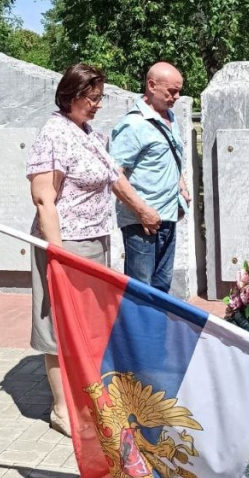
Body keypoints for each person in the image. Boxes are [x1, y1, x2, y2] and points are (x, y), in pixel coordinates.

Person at [26, 63, 161, 437]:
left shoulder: (89, 133)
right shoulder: (53, 135)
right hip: (65, 243)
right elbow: (43, 199)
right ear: (71, 96)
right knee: (57, 325)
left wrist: (141, 208)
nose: (98, 105)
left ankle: (86, 396)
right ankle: (59, 408)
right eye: (92, 98)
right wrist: (57, 255)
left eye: (100, 98)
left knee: (88, 325)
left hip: (97, 241)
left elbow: (115, 177)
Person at [110, 61, 190, 292]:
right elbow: (114, 175)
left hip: (168, 217)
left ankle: (155, 328)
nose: (176, 96)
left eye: (179, 91)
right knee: (141, 290)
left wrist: (181, 185)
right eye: (171, 91)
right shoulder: (133, 125)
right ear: (152, 85)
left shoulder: (170, 118)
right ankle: (137, 329)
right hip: (142, 223)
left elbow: (170, 156)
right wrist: (143, 211)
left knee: (161, 286)